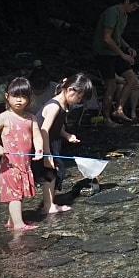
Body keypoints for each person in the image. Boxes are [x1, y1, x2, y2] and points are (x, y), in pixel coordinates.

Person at [0, 77, 44, 230]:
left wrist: (39, 149)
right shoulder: (4, 117)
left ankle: (12, 221)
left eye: (23, 97)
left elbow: (37, 136)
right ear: (7, 96)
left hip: (24, 164)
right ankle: (18, 224)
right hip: (10, 165)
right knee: (15, 195)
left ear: (29, 99)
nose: (19, 100)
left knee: (18, 193)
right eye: (15, 96)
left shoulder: (31, 118)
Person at [35, 73, 94, 215]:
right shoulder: (54, 106)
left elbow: (57, 126)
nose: (79, 101)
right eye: (79, 97)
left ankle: (49, 204)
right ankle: (48, 206)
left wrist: (67, 135)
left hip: (52, 142)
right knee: (50, 172)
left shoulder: (63, 105)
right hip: (44, 143)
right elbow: (44, 130)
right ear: (70, 90)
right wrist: (47, 154)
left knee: (54, 171)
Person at [93, 0, 139, 126]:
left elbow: (117, 36)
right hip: (104, 53)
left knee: (132, 79)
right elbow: (107, 38)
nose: (134, 9)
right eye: (134, 6)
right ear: (127, 1)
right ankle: (106, 118)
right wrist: (123, 54)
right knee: (111, 85)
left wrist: (128, 48)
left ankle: (119, 110)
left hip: (115, 53)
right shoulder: (112, 13)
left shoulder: (124, 16)